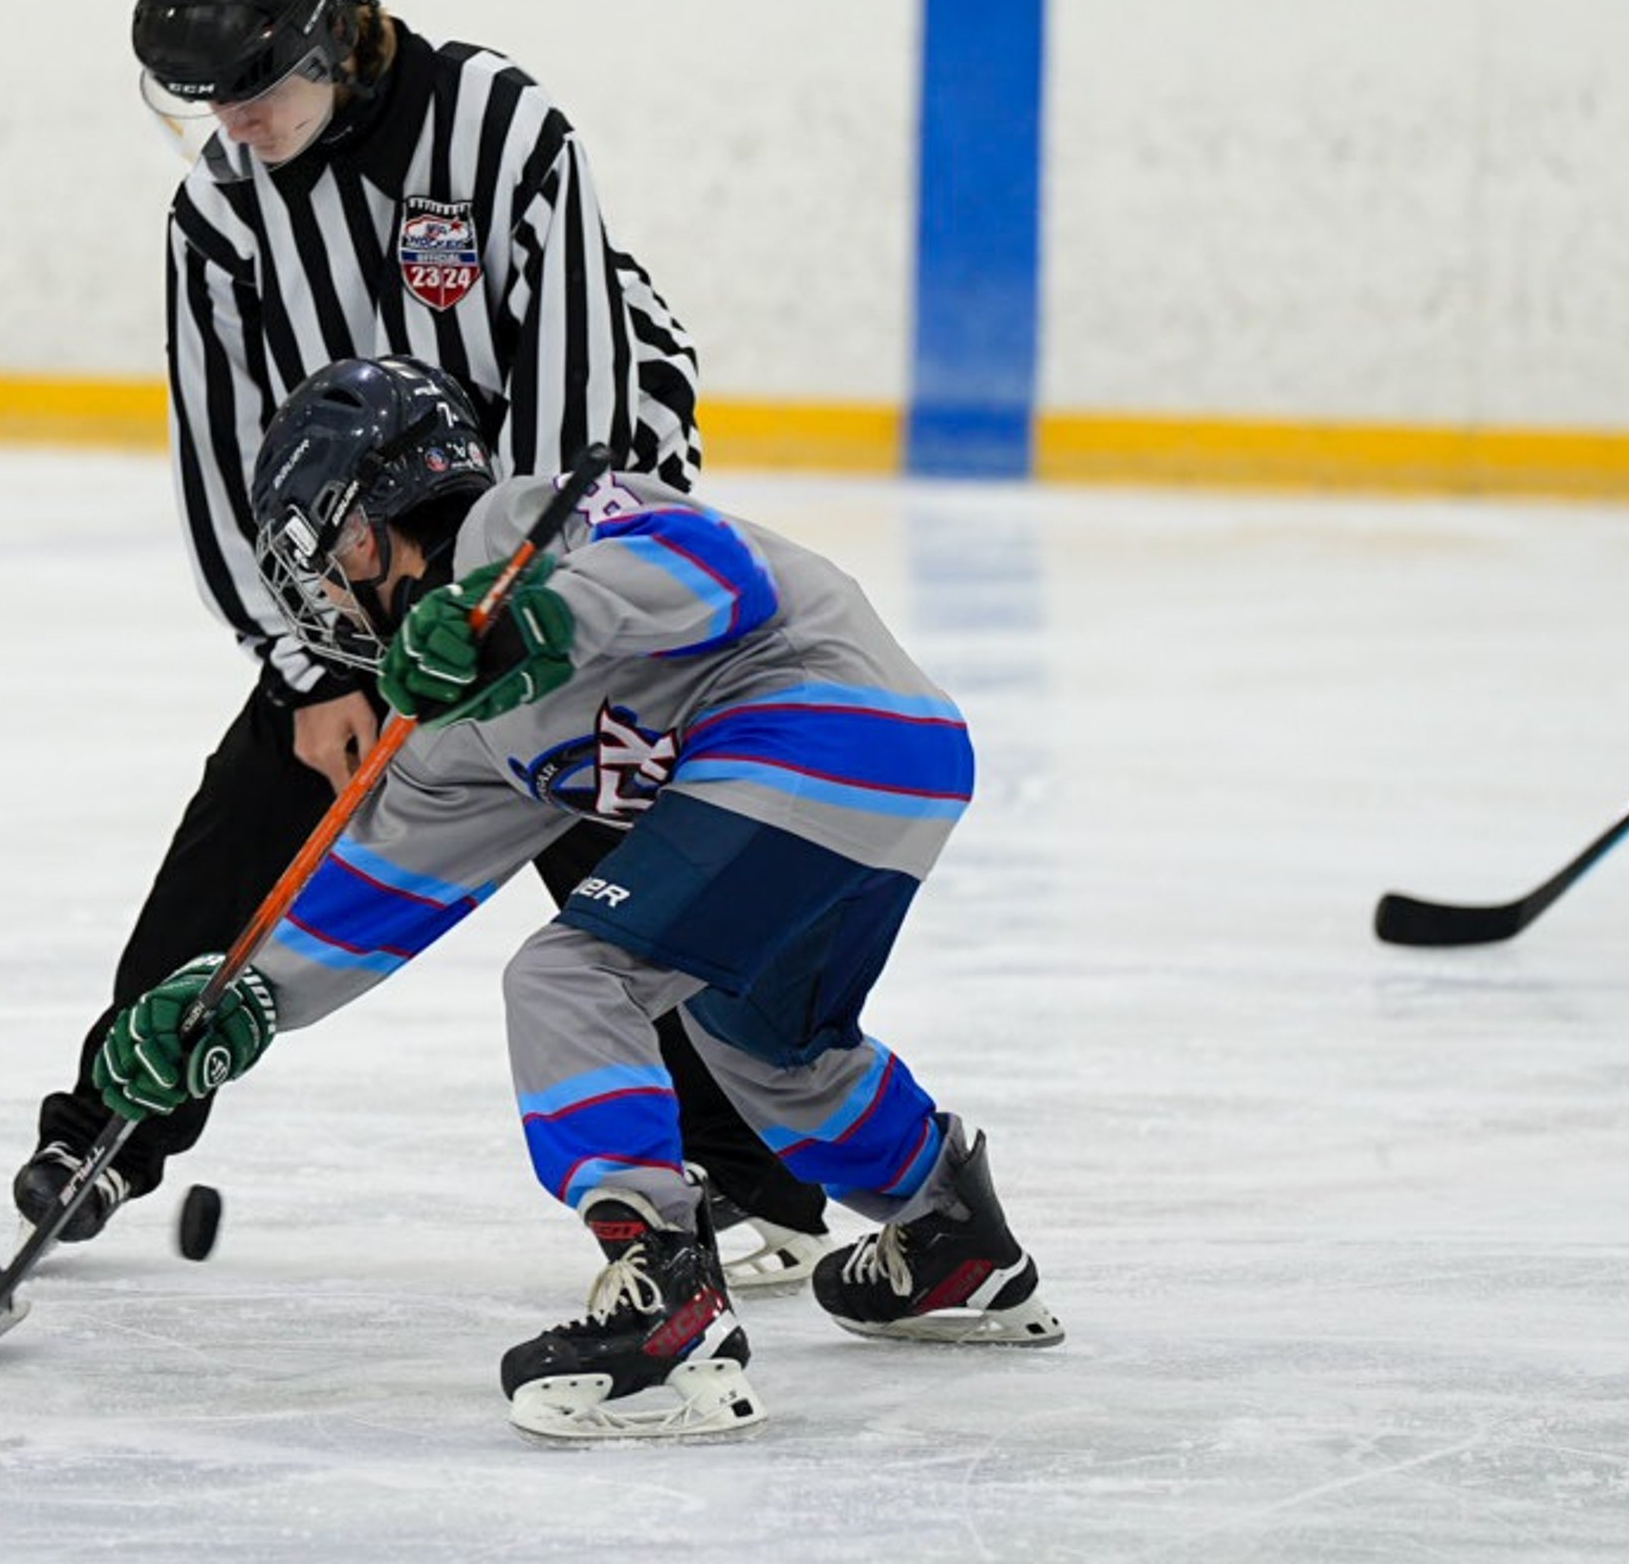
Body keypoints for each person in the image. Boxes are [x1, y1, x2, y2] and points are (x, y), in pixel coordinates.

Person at [5, 0, 839, 1291]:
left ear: (329, 33)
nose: (236, 126)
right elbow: (224, 461)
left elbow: (591, 410)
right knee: (248, 826)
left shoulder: (498, 128)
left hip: (574, 573)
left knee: (613, 845)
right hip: (368, 586)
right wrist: (318, 672)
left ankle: (752, 1167)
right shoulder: (218, 217)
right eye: (207, 100)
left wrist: (519, 624)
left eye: (256, 88)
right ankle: (111, 1124)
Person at [92, 357, 1064, 1440]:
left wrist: (534, 618)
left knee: (568, 975)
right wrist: (246, 997)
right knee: (761, 1039)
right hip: (897, 768)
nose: (321, 592)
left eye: (318, 561)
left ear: (359, 530)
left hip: (812, 725)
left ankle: (668, 1306)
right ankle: (954, 1241)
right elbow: (392, 880)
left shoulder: (522, 527)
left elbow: (715, 568)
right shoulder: (450, 723)